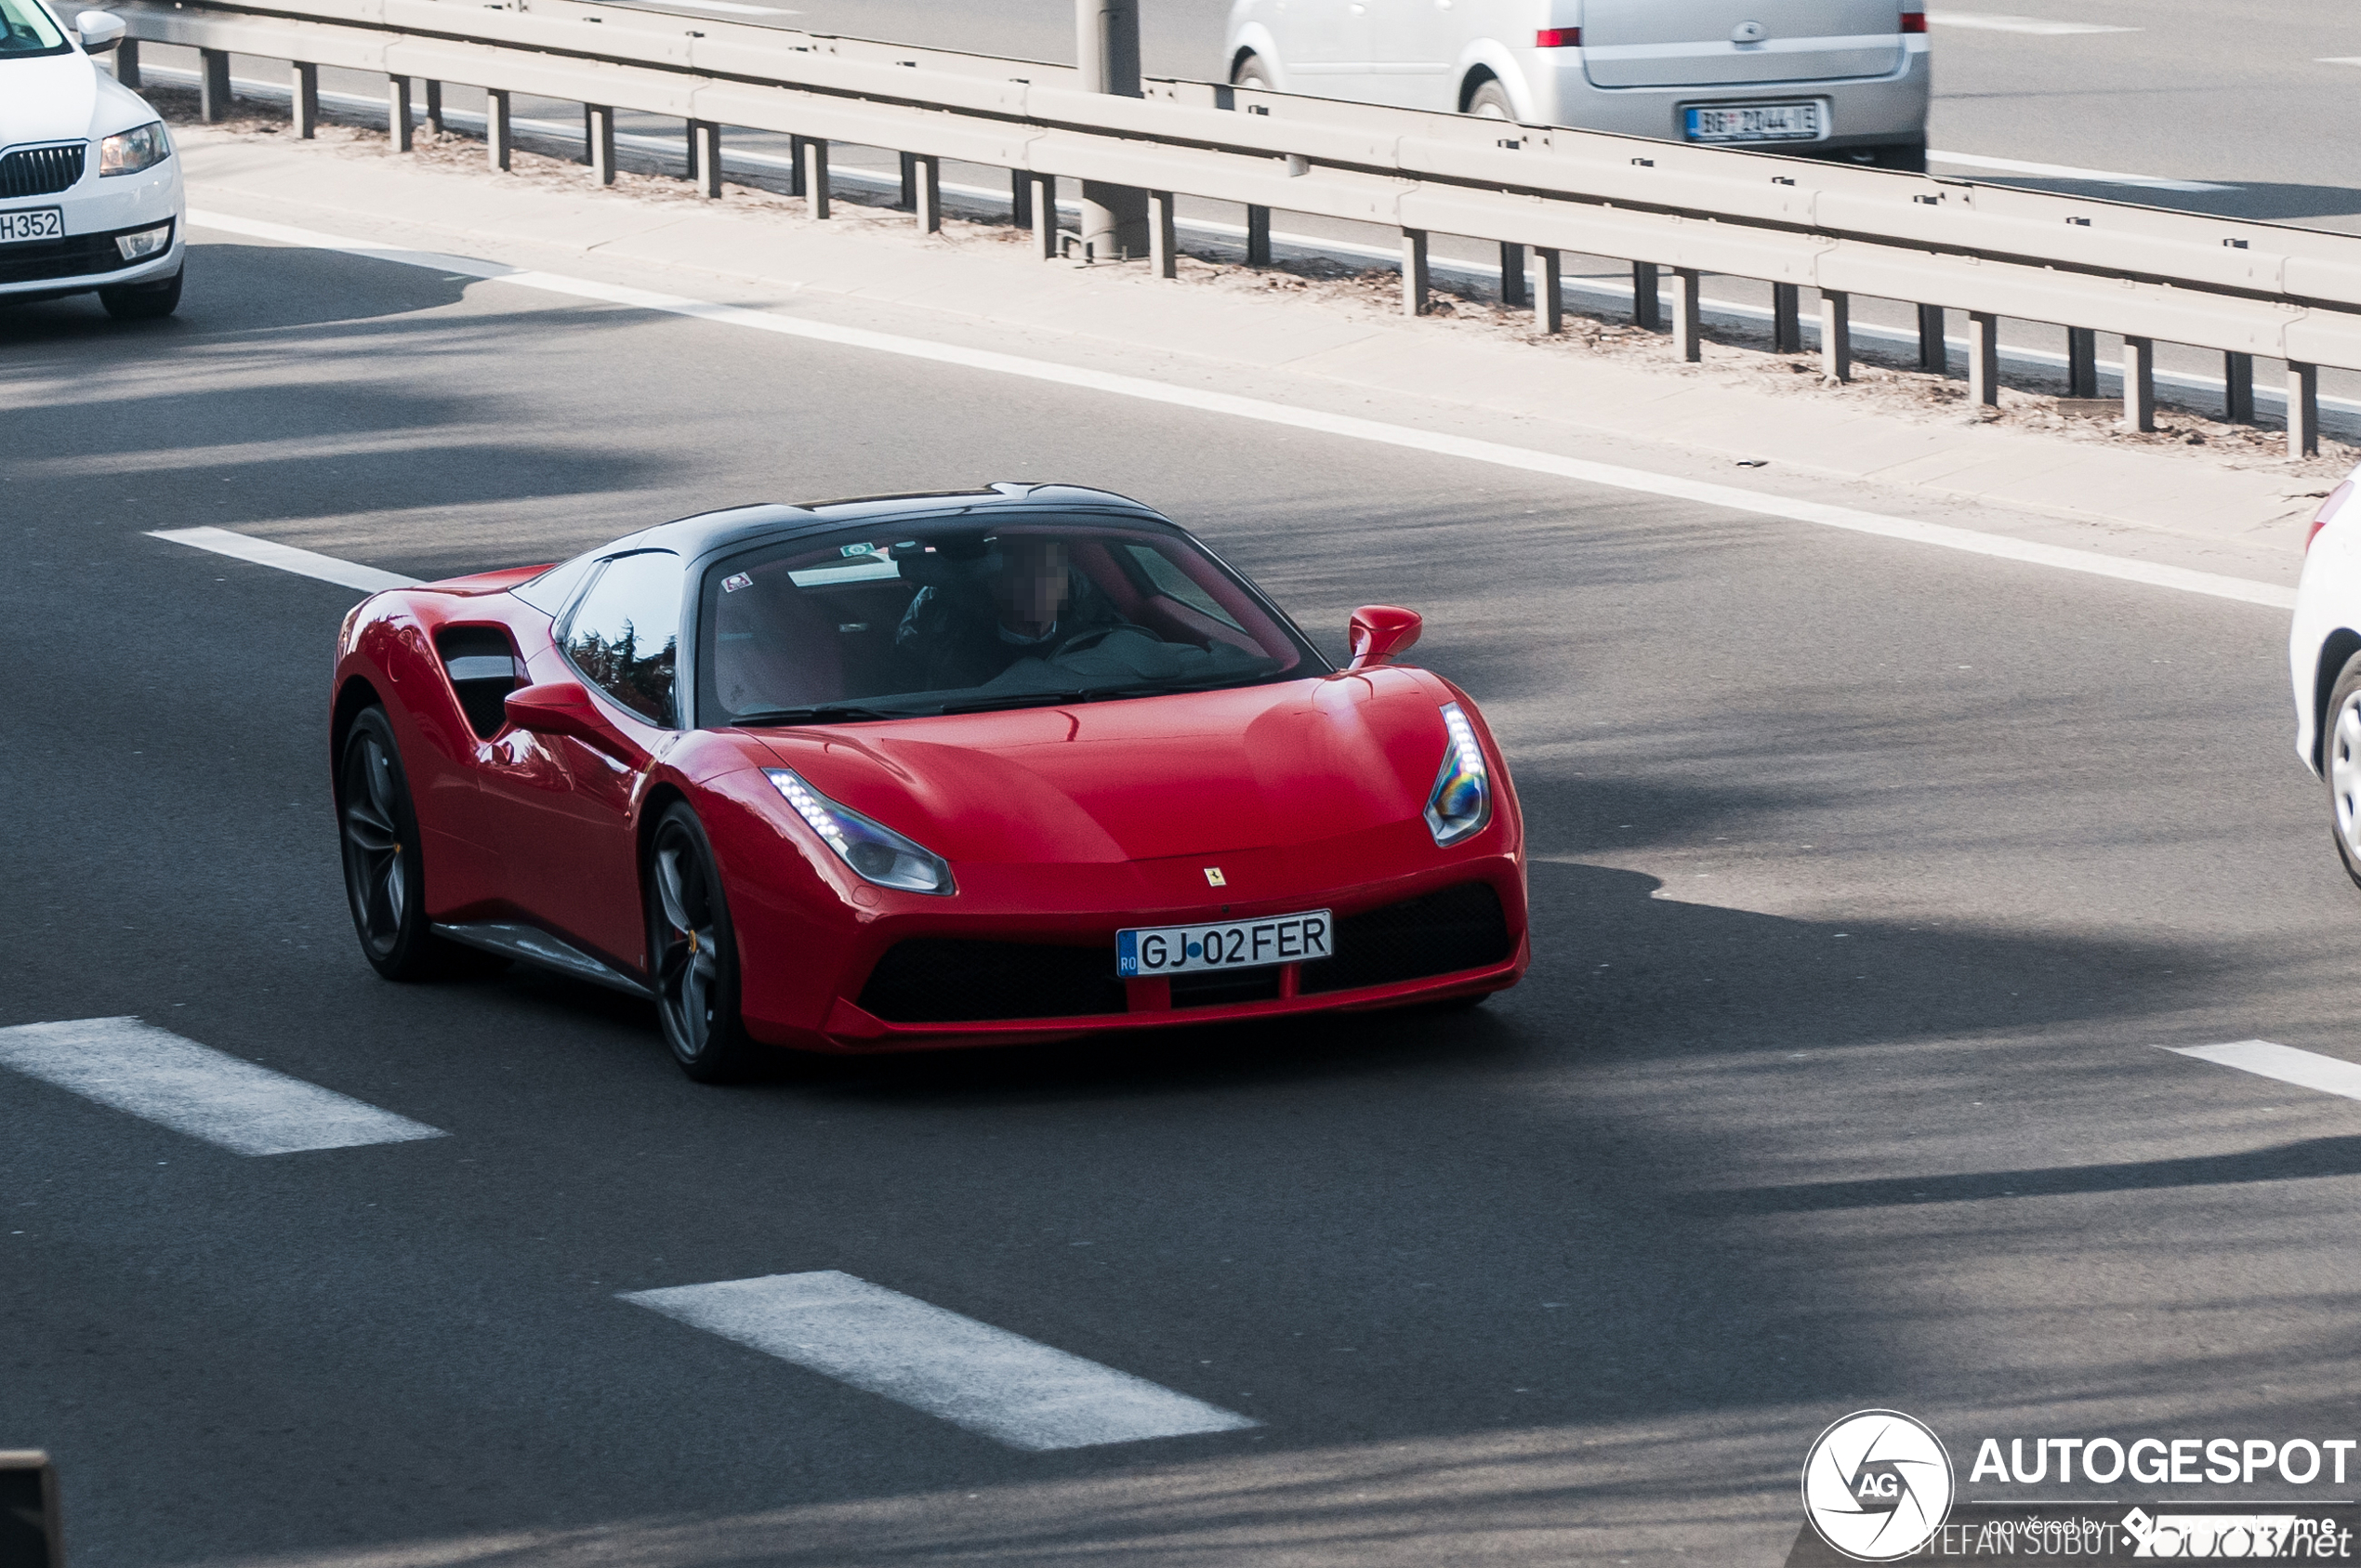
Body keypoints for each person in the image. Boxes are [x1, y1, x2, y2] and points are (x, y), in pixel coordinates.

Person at [894, 534, 1127, 690]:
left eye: (1050, 575)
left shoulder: (1096, 633)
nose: (1040, 586)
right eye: (1024, 577)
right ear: (996, 587)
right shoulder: (961, 656)